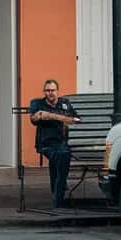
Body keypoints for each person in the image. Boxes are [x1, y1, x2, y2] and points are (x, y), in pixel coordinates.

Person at [29, 79, 81, 208]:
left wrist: (50, 116)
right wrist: (40, 115)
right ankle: (60, 192)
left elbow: (77, 119)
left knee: (61, 158)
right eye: (47, 90)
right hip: (45, 144)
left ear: (57, 91)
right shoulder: (37, 103)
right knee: (62, 157)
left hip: (62, 143)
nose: (50, 93)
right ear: (44, 91)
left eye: (53, 90)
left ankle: (57, 196)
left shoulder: (64, 103)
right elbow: (34, 119)